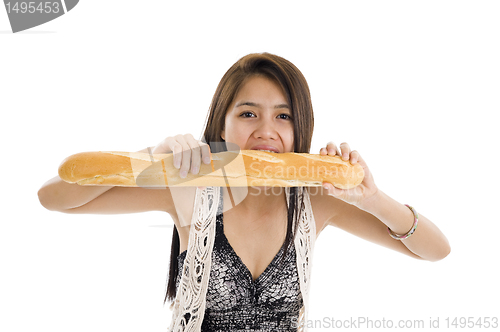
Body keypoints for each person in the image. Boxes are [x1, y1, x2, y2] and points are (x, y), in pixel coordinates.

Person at [38, 52, 451, 331]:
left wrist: (371, 197)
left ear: (299, 128)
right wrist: (153, 157)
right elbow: (55, 197)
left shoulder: (317, 199)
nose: (266, 130)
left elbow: (436, 250)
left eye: (283, 115)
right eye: (248, 113)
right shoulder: (188, 190)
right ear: (222, 126)